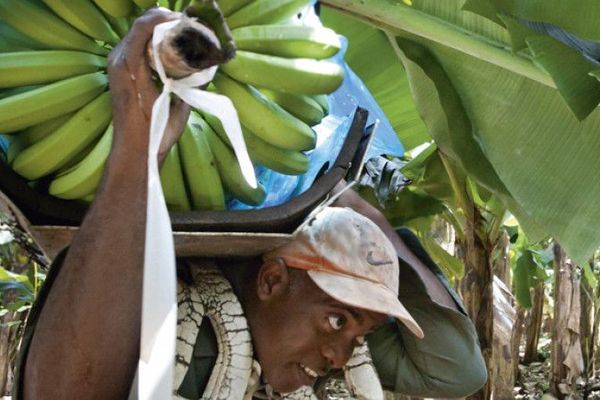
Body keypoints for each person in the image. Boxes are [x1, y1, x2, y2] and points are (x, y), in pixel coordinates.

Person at [13, 8, 487, 400]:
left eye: (357, 335)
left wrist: (351, 202)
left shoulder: (297, 340)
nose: (339, 359)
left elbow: (458, 369)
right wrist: (139, 152)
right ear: (272, 278)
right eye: (338, 320)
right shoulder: (170, 325)